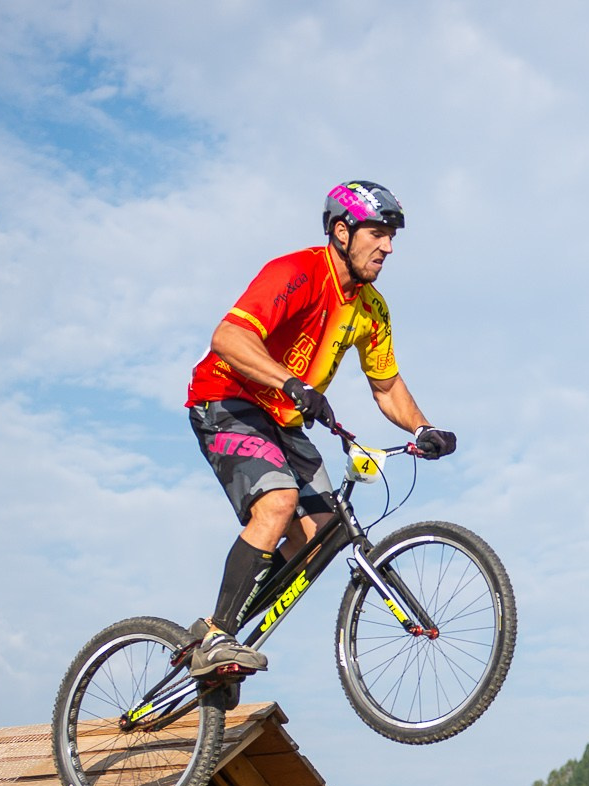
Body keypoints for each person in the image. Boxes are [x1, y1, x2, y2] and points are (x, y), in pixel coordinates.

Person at [183, 180, 460, 678]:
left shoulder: (372, 309)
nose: (388, 247)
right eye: (377, 233)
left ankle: (214, 629)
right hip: (226, 400)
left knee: (323, 534)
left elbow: (387, 385)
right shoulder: (296, 273)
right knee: (278, 502)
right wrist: (290, 381)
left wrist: (423, 429)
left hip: (284, 419)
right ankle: (220, 639)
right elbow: (228, 337)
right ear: (341, 230)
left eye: (393, 236)